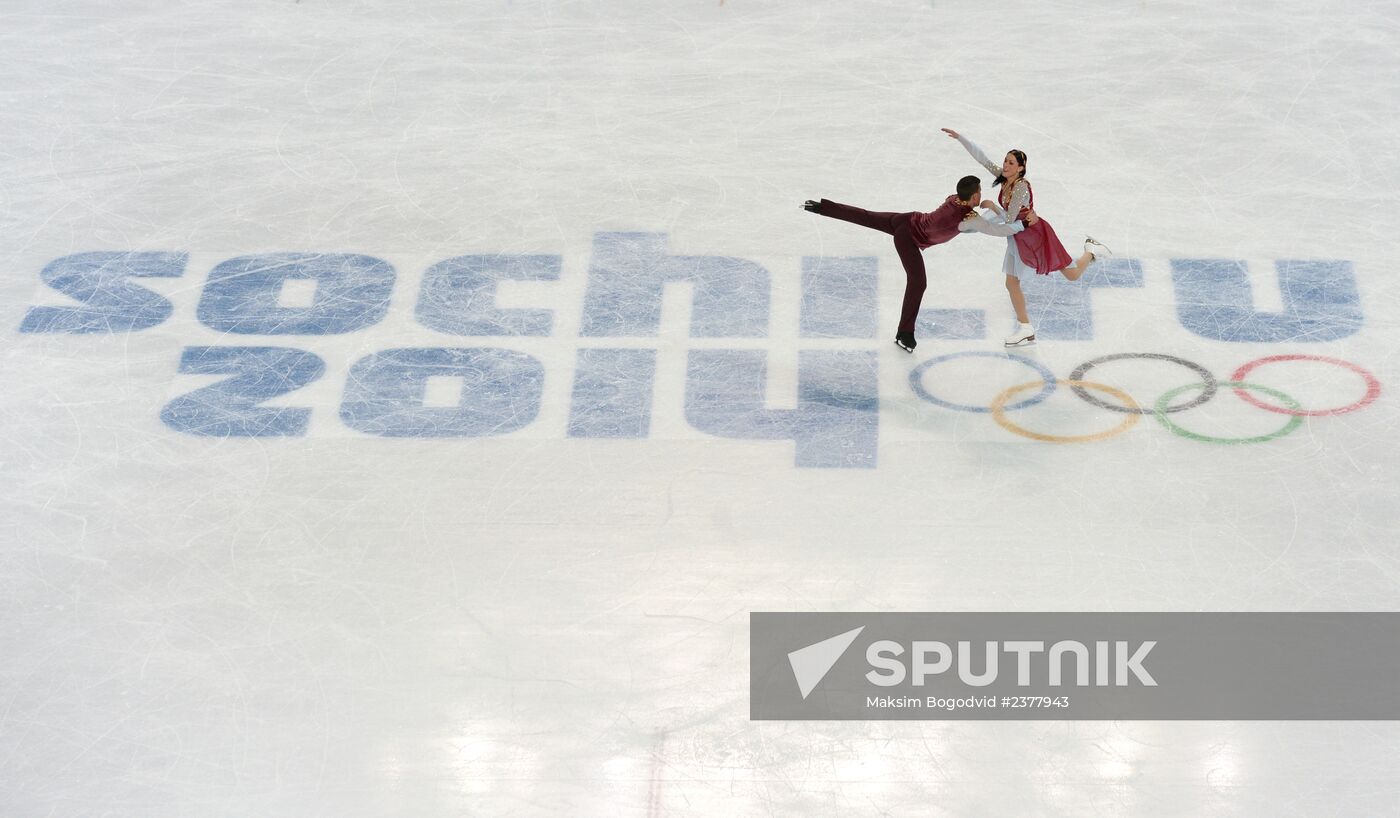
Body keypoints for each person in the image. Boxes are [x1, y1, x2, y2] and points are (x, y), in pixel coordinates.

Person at [802, 175, 1038, 353]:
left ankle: (823, 207)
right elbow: (995, 231)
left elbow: (976, 216)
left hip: (905, 219)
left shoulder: (955, 199)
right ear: (975, 196)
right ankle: (905, 334)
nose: (980, 195)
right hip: (908, 237)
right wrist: (1024, 225)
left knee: (866, 215)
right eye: (979, 193)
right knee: (918, 282)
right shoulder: (967, 219)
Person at [941, 128, 1111, 347]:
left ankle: (1091, 250)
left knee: (1072, 275)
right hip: (1018, 236)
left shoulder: (1021, 187)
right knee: (1011, 282)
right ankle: (1025, 327)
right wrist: (961, 138)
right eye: (1005, 161)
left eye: (1011, 163)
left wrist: (993, 205)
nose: (1005, 165)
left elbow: (1011, 218)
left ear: (1021, 168)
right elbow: (983, 159)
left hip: (1035, 235)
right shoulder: (1005, 180)